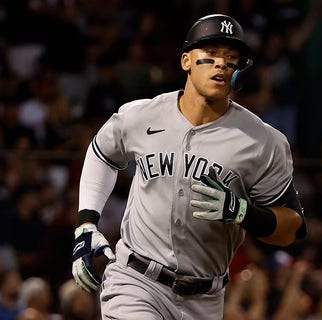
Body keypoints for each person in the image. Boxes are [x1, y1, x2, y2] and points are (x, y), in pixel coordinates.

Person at [71, 14, 307, 320]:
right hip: (136, 282)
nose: (221, 64)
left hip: (205, 299)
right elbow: (102, 153)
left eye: (231, 58)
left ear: (240, 72)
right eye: (209, 55)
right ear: (186, 61)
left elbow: (290, 228)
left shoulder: (262, 141)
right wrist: (86, 222)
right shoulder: (143, 116)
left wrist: (243, 212)